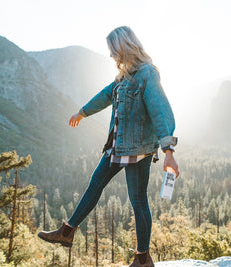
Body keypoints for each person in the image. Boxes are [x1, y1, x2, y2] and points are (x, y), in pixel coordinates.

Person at [38, 26, 179, 267]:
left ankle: (142, 258)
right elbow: (105, 96)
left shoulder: (147, 74)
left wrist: (169, 151)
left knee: (138, 201)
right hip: (116, 146)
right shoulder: (123, 77)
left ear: (124, 47)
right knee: (95, 185)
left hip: (138, 150)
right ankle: (67, 231)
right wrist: (82, 112)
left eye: (113, 50)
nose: (112, 56)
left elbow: (160, 112)